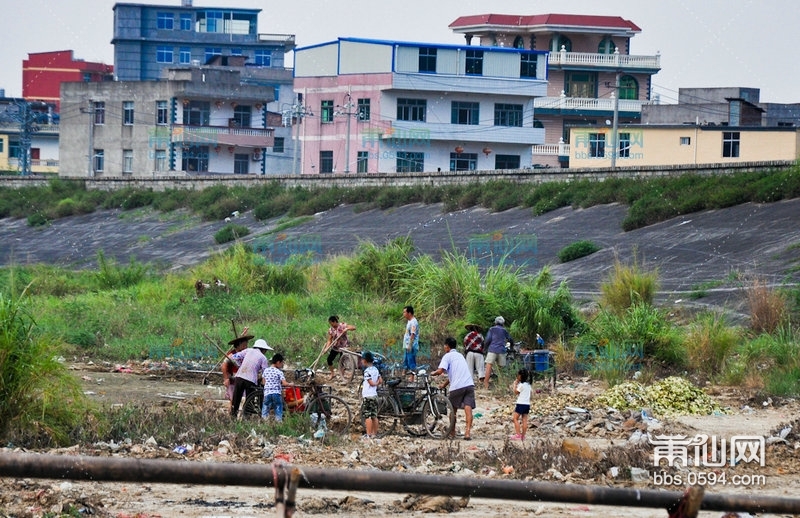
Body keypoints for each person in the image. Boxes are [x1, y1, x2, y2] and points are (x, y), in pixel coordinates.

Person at [432, 336, 475, 441]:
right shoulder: (460, 356)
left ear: (447, 346)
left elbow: (441, 370)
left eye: (444, 346)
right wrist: (444, 384)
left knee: (453, 410)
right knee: (468, 409)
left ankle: (452, 432)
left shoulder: (447, 356)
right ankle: (467, 432)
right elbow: (456, 374)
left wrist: (433, 373)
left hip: (457, 387)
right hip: (469, 385)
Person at [229, 338, 272, 418]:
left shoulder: (248, 350)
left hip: (239, 377)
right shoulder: (263, 358)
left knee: (236, 399)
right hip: (250, 380)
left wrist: (239, 365)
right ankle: (246, 418)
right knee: (249, 400)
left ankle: (233, 416)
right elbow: (265, 373)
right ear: (263, 350)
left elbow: (234, 357)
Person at [222, 332, 253, 404]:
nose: (246, 346)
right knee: (233, 401)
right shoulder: (232, 355)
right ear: (238, 345)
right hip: (233, 381)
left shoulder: (246, 354)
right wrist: (226, 378)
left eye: (246, 345)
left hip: (243, 380)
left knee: (243, 400)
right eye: (244, 345)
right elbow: (224, 366)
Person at [324, 315, 356, 381]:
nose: (331, 325)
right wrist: (326, 348)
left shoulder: (342, 325)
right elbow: (329, 340)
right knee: (329, 359)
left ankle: (342, 376)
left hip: (343, 347)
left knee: (341, 362)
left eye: (331, 323)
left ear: (335, 321)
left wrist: (347, 329)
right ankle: (332, 374)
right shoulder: (331, 330)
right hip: (336, 347)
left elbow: (353, 327)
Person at [483, 316, 512, 390]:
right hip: (501, 350)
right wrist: (512, 345)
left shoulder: (491, 329)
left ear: (495, 322)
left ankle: (486, 384)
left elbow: (488, 339)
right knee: (501, 368)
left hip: (492, 349)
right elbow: (510, 339)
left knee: (488, 366)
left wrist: (485, 348)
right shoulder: (504, 330)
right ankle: (501, 385)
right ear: (503, 323)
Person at [261, 352, 289, 421]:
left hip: (267, 393)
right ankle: (278, 423)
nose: (282, 365)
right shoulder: (279, 372)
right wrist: (291, 384)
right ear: (278, 362)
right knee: (278, 408)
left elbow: (263, 382)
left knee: (265, 409)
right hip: (276, 393)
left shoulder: (266, 370)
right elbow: (284, 383)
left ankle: (264, 423)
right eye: (282, 363)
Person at [361, 350, 382, 440]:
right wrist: (377, 383)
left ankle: (368, 434)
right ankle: (374, 434)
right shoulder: (376, 369)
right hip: (374, 395)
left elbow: (371, 383)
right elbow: (381, 380)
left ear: (365, 361)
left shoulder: (367, 372)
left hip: (368, 395)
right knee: (374, 415)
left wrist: (375, 383)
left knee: (367, 416)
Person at [509, 368, 532, 441]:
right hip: (527, 404)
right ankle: (523, 435)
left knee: (515, 418)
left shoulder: (521, 385)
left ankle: (518, 434)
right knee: (524, 420)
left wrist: (515, 385)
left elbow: (516, 392)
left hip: (520, 403)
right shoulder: (528, 385)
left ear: (520, 376)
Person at [402, 305, 419, 373]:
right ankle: (403, 375)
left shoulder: (413, 322)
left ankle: (413, 377)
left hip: (411, 345)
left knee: (411, 361)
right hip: (407, 345)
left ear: (409, 313)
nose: (403, 314)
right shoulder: (409, 321)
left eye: (404, 312)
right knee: (406, 360)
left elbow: (413, 334)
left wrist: (410, 345)